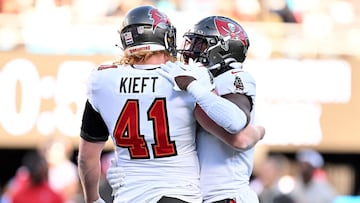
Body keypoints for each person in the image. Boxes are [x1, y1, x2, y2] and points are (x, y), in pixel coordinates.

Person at [78, 5, 263, 203]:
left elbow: (86, 157)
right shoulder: (188, 76)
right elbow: (231, 131)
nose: (191, 50)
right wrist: (260, 131)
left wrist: (115, 176)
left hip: (129, 195)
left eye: (199, 45)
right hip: (179, 195)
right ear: (165, 37)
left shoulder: (103, 79)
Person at [177, 15, 263, 203]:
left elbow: (236, 121)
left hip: (227, 195)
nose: (192, 49)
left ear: (222, 47)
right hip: (200, 196)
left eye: (200, 44)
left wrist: (195, 89)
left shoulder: (235, 77)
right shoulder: (203, 79)